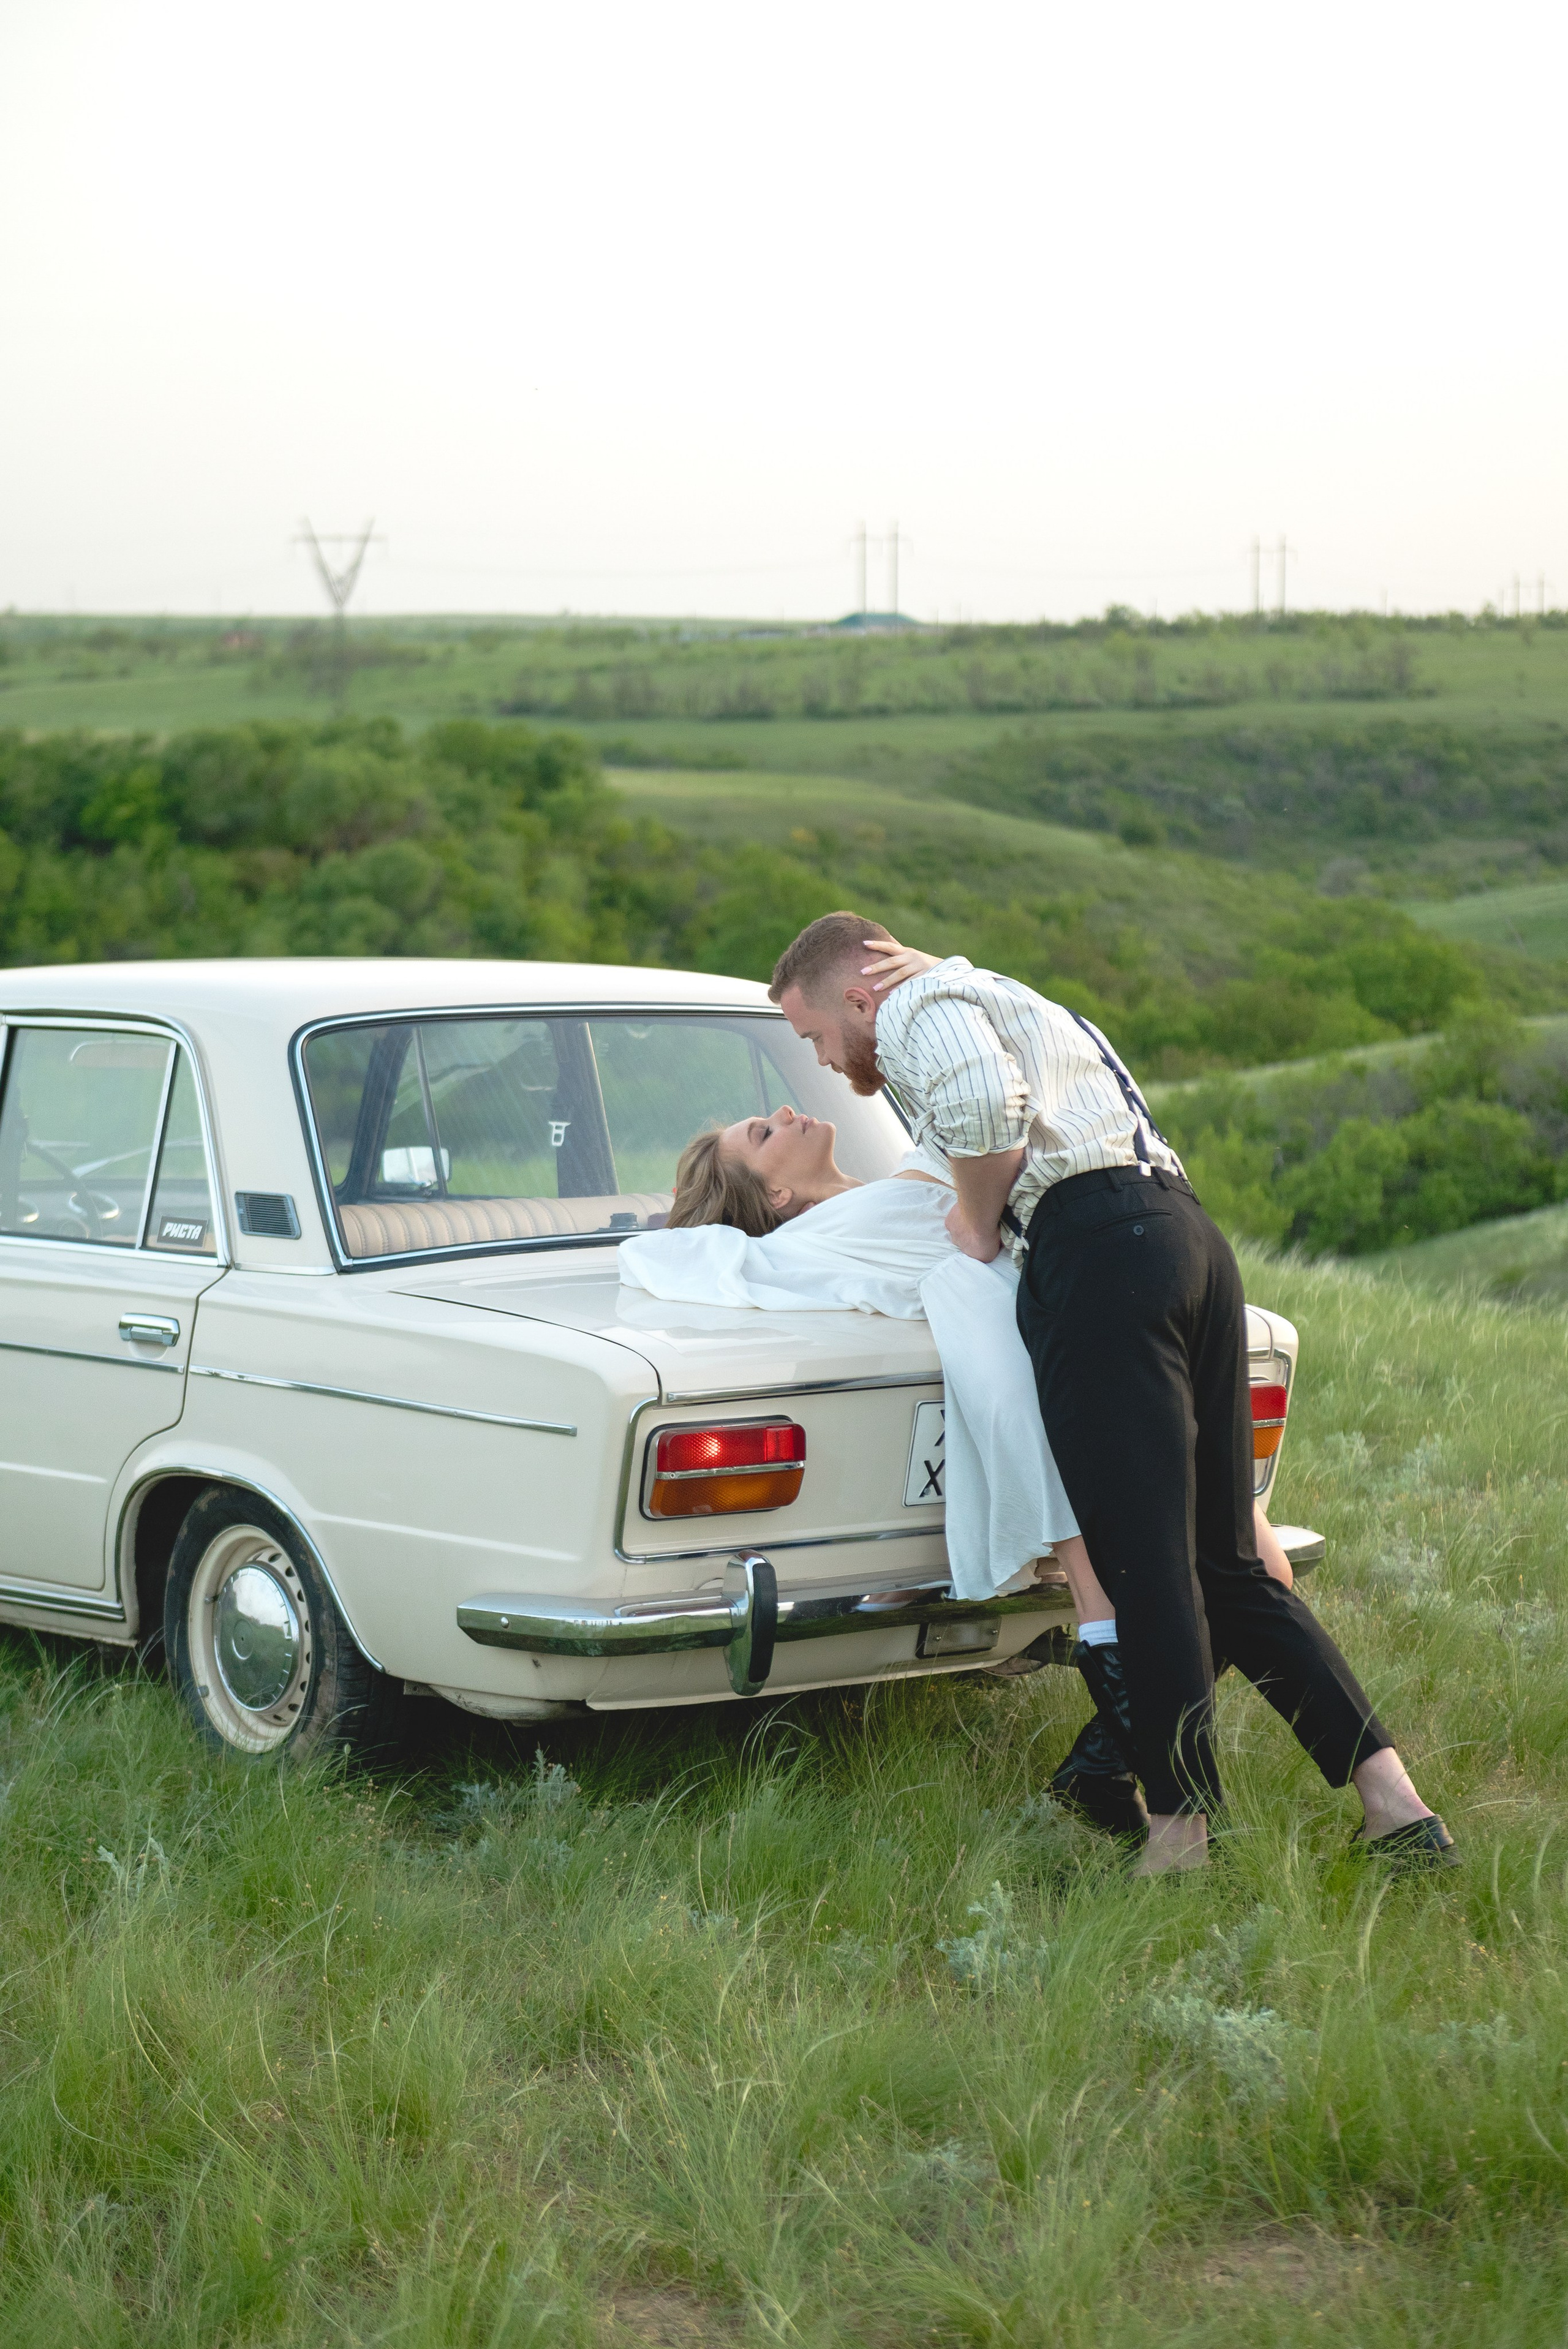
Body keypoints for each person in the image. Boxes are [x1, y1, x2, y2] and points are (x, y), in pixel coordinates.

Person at [767, 911, 1457, 1878]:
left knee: (1147, 1571)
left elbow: (982, 1104)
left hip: (1096, 1255)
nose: (828, 1062)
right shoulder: (998, 994)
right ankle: (1398, 1808)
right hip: (1186, 1237)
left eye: (814, 1037)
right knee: (1231, 1560)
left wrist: (974, 1220)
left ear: (857, 994)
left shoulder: (919, 1003)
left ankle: (1178, 1837)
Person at [623, 1103, 1297, 1842]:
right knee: (1197, 1583)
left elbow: (963, 1143)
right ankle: (1169, 1807)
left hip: (1117, 1341)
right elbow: (682, 1254)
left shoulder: (882, 1188)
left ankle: (1097, 1770)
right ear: (776, 1197)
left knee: (1262, 1574)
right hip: (1072, 1373)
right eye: (761, 1133)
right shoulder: (824, 1236)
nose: (784, 1111)